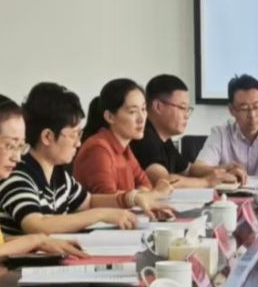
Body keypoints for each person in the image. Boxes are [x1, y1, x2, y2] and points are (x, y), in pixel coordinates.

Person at [0, 83, 164, 235]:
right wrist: (101, 214)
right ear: (47, 137)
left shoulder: (59, 175)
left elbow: (89, 202)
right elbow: (38, 225)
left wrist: (132, 198)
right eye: (74, 135)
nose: (78, 143)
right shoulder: (17, 175)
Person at [0, 92, 81, 262]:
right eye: (10, 146)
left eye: (21, 147)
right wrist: (36, 240)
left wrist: (38, 241)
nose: (17, 158)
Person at [71, 79, 182, 217]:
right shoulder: (98, 149)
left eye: (143, 109)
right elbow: (109, 200)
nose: (142, 118)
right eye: (132, 112)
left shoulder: (124, 147)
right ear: (110, 117)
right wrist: (155, 194)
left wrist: (143, 195)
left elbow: (145, 184)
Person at [131, 74, 239, 189]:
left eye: (188, 109)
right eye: (182, 108)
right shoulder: (144, 137)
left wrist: (224, 170)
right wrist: (206, 182)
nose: (187, 115)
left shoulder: (163, 138)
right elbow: (162, 181)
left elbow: (189, 170)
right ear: (158, 107)